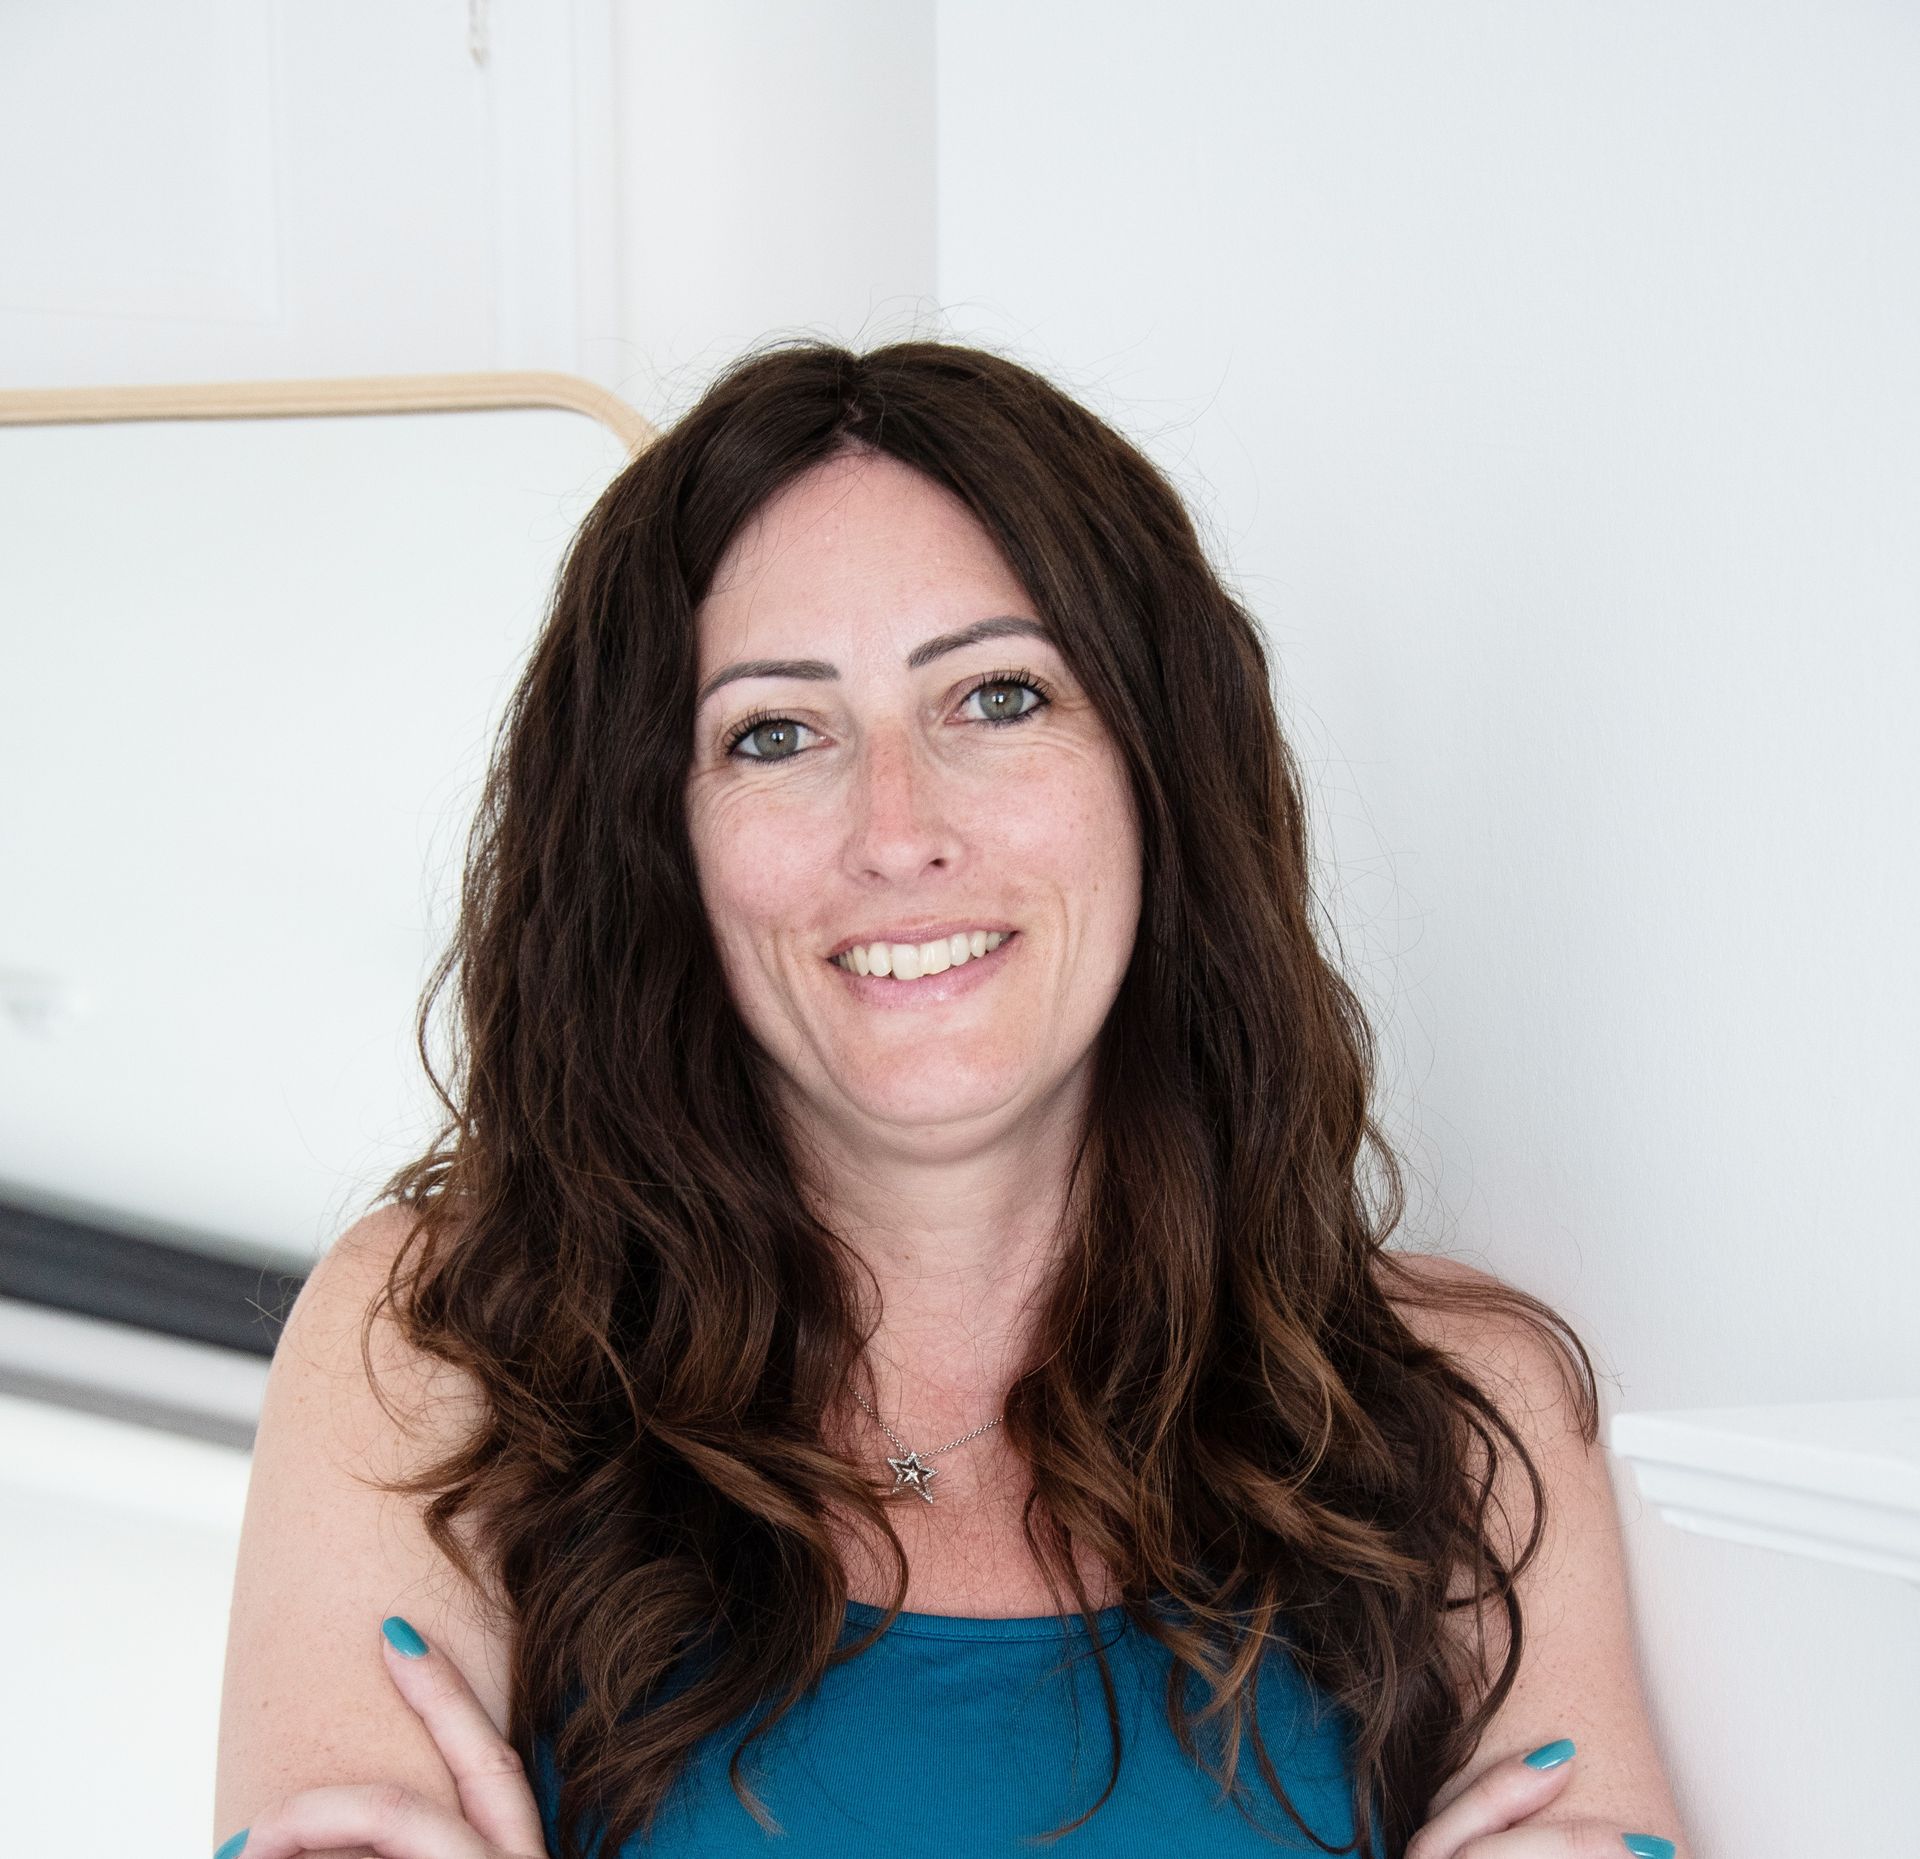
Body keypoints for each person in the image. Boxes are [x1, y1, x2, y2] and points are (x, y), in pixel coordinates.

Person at [213, 340, 1688, 1859]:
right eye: (775, 733)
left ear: (1157, 776)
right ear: (662, 847)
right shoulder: (442, 1344)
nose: (897, 829)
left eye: (998, 696)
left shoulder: (1460, 1405)